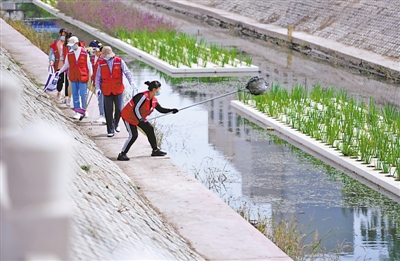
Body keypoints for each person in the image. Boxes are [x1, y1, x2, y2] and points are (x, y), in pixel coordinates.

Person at [118, 80, 179, 160]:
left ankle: (155, 150)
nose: (159, 91)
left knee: (150, 129)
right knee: (133, 135)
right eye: (158, 89)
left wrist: (171, 110)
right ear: (154, 89)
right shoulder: (143, 96)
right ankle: (122, 154)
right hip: (129, 117)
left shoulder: (154, 99)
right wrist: (140, 119)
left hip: (139, 118)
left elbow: (160, 109)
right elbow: (136, 108)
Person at [95, 46, 135, 137]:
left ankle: (115, 123)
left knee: (119, 109)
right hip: (106, 90)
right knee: (108, 110)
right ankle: (110, 130)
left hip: (118, 89)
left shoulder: (119, 61)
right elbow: (98, 77)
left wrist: (131, 82)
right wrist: (97, 88)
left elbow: (127, 72)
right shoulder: (101, 63)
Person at [58, 36, 93, 120]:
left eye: (72, 45)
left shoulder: (84, 53)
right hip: (73, 77)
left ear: (77, 43)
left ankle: (84, 110)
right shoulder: (69, 54)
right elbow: (66, 65)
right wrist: (59, 71)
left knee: (83, 94)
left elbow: (89, 65)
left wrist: (91, 75)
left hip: (82, 77)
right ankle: (77, 111)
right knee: (75, 94)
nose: (71, 47)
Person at [88, 40, 106, 124]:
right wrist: (92, 78)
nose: (92, 52)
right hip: (96, 82)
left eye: (94, 50)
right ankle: (102, 115)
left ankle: (103, 116)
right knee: (100, 99)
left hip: (103, 82)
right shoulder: (93, 58)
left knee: (103, 100)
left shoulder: (103, 58)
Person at [49, 28, 69, 101]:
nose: (63, 36)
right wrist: (51, 60)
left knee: (67, 80)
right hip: (59, 64)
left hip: (67, 65)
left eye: (65, 34)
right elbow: (52, 53)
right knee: (60, 79)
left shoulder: (69, 44)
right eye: (62, 34)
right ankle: (59, 91)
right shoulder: (56, 43)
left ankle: (67, 95)